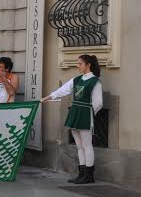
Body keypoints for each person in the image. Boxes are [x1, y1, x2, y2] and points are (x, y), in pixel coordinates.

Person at [43, 54, 104, 184]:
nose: (78, 66)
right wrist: (49, 97)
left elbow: (98, 103)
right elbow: (63, 90)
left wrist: (89, 114)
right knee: (79, 146)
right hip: (76, 112)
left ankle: (89, 175)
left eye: (80, 64)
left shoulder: (95, 82)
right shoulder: (76, 80)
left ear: (88, 65)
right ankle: (81, 173)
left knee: (87, 145)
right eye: (78, 64)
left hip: (85, 114)